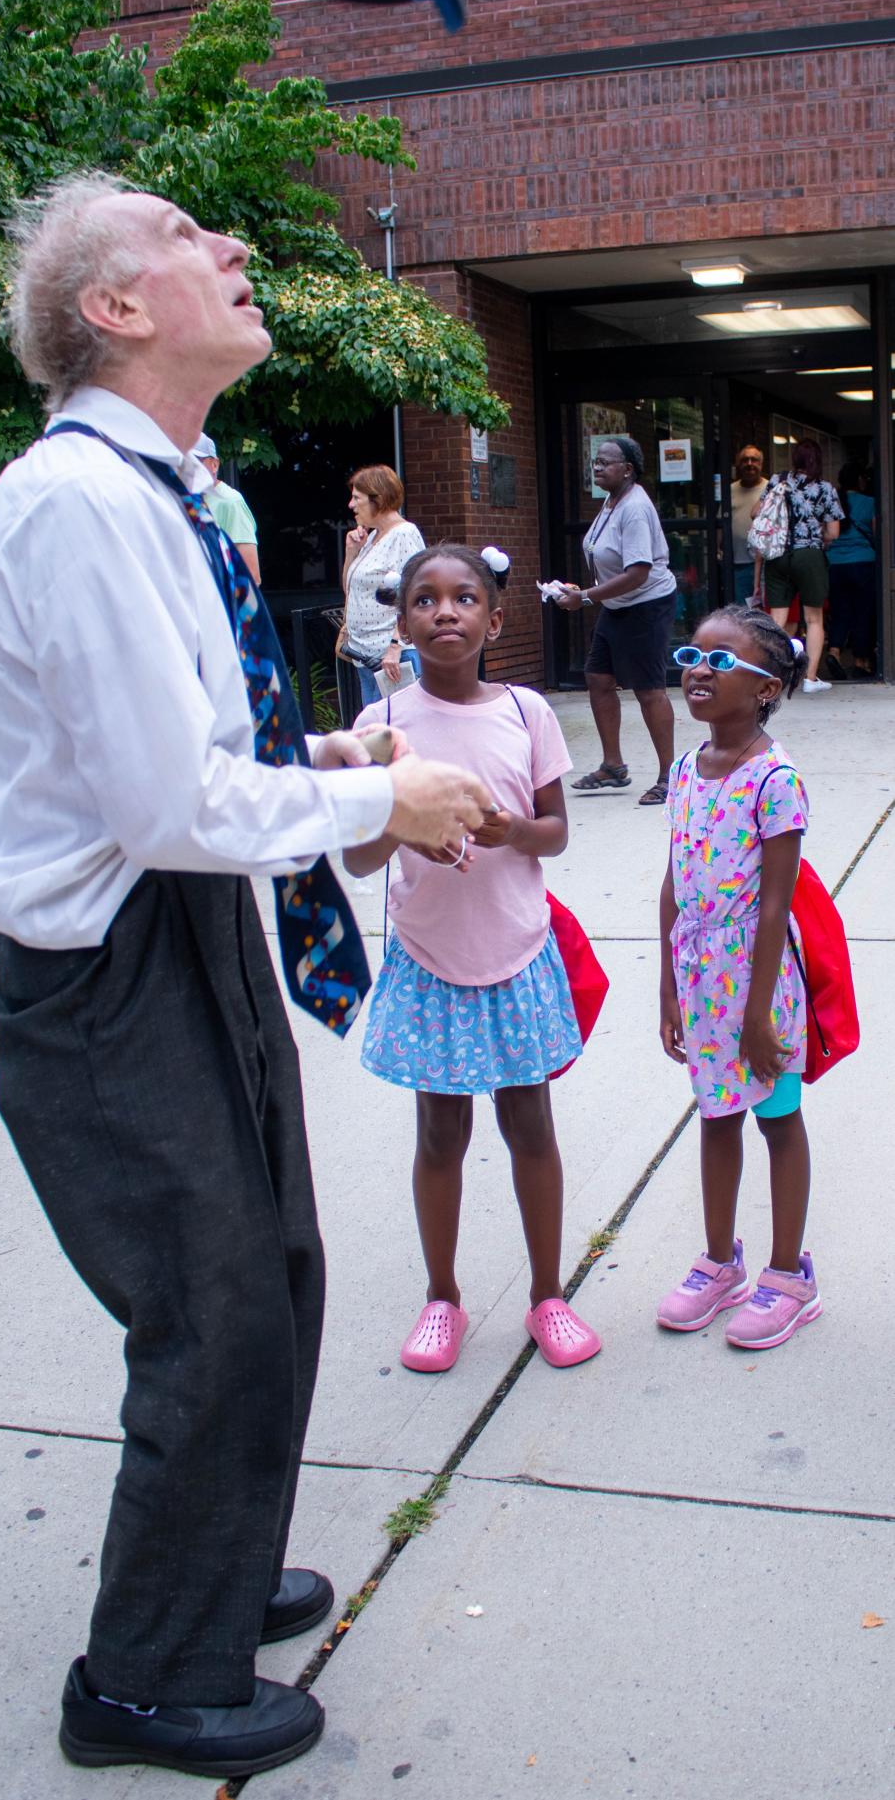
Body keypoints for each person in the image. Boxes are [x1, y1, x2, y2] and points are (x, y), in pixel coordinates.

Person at [0, 170, 492, 1783]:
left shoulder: (167, 491)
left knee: (272, 1274)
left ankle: (214, 1571)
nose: (238, 243)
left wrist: (323, 753)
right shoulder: (75, 502)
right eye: (194, 235)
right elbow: (166, 807)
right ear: (114, 312)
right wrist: (376, 799)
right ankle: (141, 1677)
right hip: (114, 972)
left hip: (187, 930)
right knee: (211, 1313)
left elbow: (181, 758)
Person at [344, 543, 602, 1374]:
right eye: (425, 599)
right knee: (438, 1132)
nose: (444, 611)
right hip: (427, 956)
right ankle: (442, 1297)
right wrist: (403, 818)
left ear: (495, 618)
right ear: (402, 620)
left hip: (517, 951)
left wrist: (510, 830)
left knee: (530, 1125)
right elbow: (355, 860)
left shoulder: (525, 713)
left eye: (464, 598)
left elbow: (556, 833)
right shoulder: (380, 730)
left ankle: (548, 1294)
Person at [657, 604, 821, 1350]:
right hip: (699, 979)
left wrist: (758, 1014)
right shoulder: (686, 767)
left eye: (720, 662)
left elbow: (773, 907)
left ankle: (789, 1275)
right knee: (715, 1115)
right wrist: (666, 983)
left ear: (764, 688)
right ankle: (719, 1262)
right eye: (692, 654)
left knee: (776, 1118)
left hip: (759, 985)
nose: (697, 669)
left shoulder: (774, 777)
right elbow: (672, 880)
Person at [555, 435, 677, 806]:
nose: (597, 467)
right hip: (618, 604)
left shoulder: (634, 507)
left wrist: (588, 597)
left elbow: (639, 571)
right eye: (595, 461)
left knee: (648, 689)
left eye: (605, 462)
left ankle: (670, 777)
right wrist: (588, 589)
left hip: (646, 604)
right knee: (598, 677)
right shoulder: (611, 501)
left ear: (627, 470)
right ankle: (613, 766)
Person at [762, 439, 843, 694]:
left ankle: (774, 675)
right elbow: (833, 532)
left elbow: (757, 511)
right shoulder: (824, 488)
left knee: (777, 619)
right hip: (809, 554)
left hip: (778, 553)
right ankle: (809, 678)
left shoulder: (778, 481)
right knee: (814, 618)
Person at [341, 465, 424, 705]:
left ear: (378, 498)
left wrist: (396, 647)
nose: (351, 505)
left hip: (391, 658)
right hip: (364, 656)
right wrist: (351, 553)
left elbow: (415, 594)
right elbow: (351, 592)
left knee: (396, 732)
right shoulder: (372, 538)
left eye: (357, 498)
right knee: (375, 734)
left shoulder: (404, 534)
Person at [826, 462, 876, 678]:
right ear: (859, 481)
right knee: (862, 612)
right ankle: (860, 660)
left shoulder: (834, 501)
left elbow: (826, 532)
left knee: (840, 610)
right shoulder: (870, 502)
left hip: (834, 564)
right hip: (863, 563)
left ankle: (834, 652)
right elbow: (877, 534)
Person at [194, 433, 261, 584]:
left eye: (196, 461)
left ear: (215, 464)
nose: (189, 467)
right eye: (183, 461)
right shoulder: (184, 499)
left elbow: (251, 576)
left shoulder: (230, 502)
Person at [729, 445, 766, 604]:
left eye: (754, 460)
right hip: (737, 564)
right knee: (742, 613)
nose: (750, 463)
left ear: (761, 464)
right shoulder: (729, 490)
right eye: (745, 460)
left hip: (765, 564)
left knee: (763, 612)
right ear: (738, 464)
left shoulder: (770, 489)